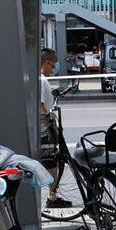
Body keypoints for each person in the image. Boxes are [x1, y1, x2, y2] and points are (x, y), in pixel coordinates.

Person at [40, 48, 71, 208]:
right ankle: (52, 196)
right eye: (53, 65)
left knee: (55, 160)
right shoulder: (41, 80)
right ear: (46, 62)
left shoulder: (41, 80)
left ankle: (53, 194)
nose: (54, 68)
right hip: (45, 128)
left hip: (46, 125)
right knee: (51, 162)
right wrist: (48, 121)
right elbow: (40, 107)